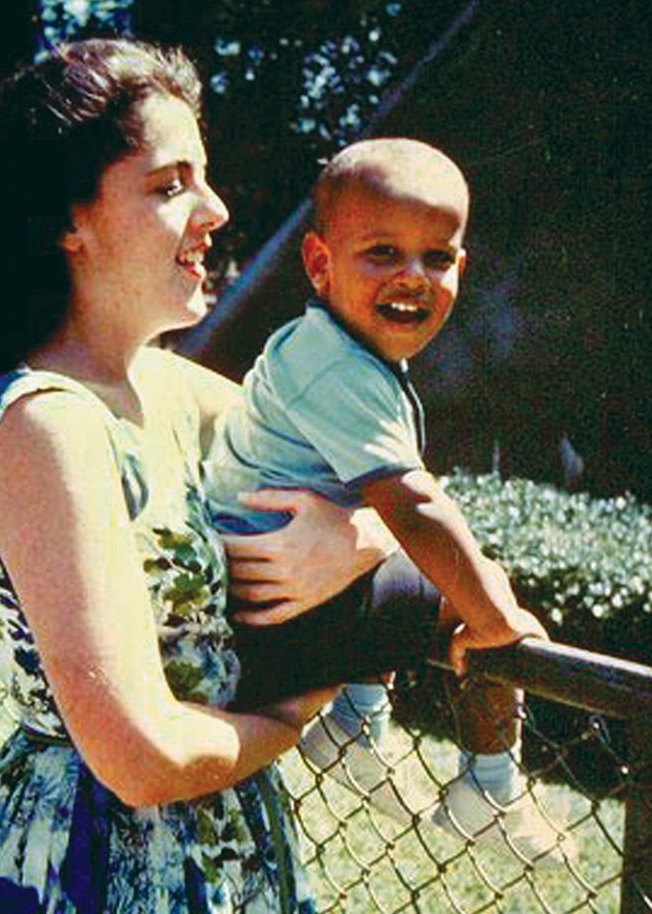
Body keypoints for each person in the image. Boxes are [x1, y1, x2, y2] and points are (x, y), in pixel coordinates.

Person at [0, 39, 398, 913]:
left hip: (226, 849)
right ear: (67, 220)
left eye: (204, 177)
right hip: (91, 866)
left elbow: (385, 474)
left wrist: (362, 534)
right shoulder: (47, 425)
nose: (216, 209)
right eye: (169, 186)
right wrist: (292, 715)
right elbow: (141, 757)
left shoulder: (162, 385)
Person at [204, 138, 568, 863]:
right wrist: (497, 621)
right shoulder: (339, 368)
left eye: (437, 257)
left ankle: (358, 720)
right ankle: (488, 793)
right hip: (271, 613)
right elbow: (415, 507)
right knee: (473, 583)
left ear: (460, 269)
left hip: (264, 600)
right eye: (382, 253)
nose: (413, 276)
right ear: (318, 264)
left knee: (401, 554)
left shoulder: (327, 348)